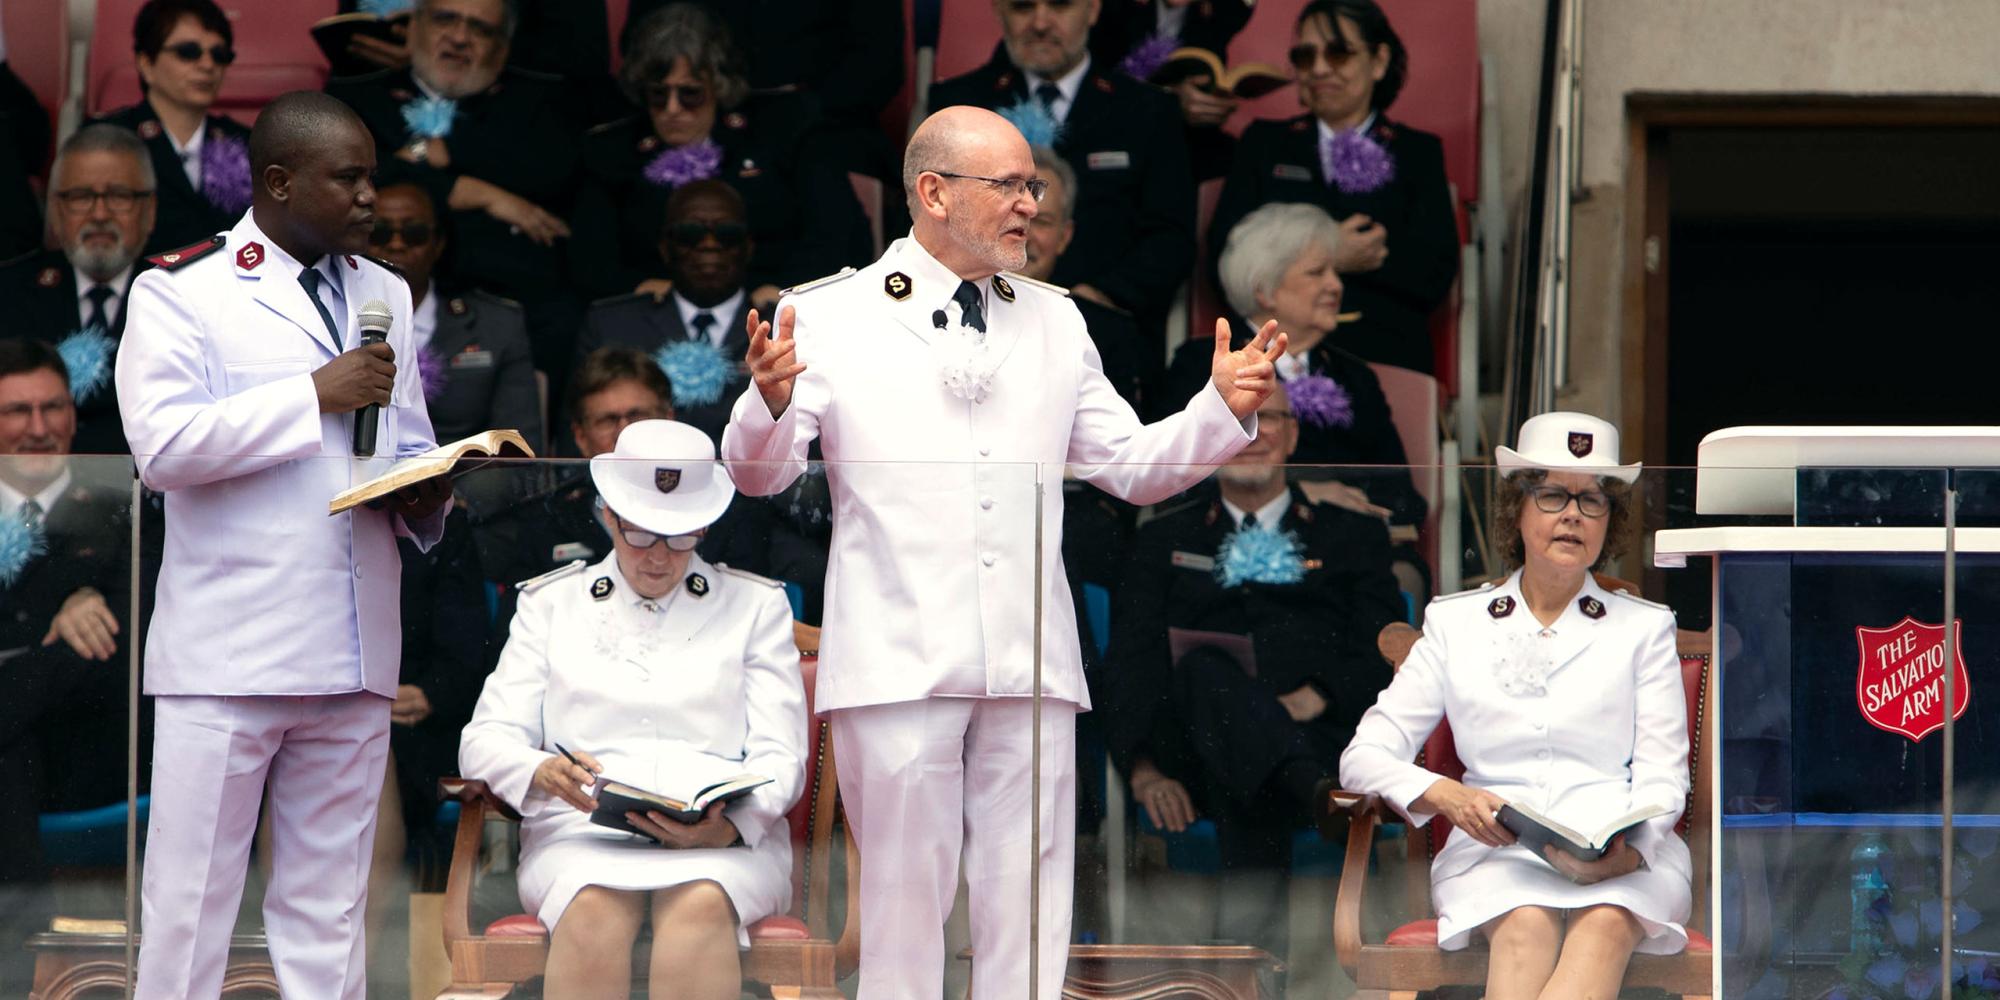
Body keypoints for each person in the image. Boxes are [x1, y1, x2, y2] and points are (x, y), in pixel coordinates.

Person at [722, 104, 1286, 999]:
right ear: (934, 193)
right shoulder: (828, 314)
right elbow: (756, 477)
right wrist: (766, 403)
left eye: (1035, 186)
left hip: (1030, 661)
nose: (1030, 203)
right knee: (904, 917)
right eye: (1010, 185)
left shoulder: (1058, 320)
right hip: (899, 660)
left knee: (1029, 916)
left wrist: (1221, 408)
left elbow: (1131, 470)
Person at [115, 91, 451, 999]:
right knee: (190, 916)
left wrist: (431, 486)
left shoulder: (385, 290)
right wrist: (312, 395)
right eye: (348, 178)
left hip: (350, 649)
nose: (370, 197)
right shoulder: (181, 288)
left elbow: (403, 435)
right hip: (228, 654)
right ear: (277, 181)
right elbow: (162, 450)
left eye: (371, 176)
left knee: (329, 917)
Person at [1339, 411, 1692, 999]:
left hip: (1629, 861)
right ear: (1518, 509)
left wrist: (1627, 856)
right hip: (1495, 857)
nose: (1574, 514)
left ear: (1611, 521)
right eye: (1553, 495)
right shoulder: (1455, 623)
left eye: (1593, 500)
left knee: (1603, 925)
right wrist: (1449, 796)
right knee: (1525, 926)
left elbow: (1663, 779)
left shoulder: (1644, 629)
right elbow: (1363, 757)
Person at [460, 419, 807, 999]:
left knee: (697, 909)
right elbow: (484, 739)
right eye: (641, 534)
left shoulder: (754, 606)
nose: (658, 558)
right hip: (581, 836)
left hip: (721, 840)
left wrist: (730, 830)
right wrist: (539, 770)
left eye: (680, 537)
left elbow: (781, 754)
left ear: (704, 526)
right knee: (592, 910)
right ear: (607, 516)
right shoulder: (552, 605)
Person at [1102, 378, 1404, 966]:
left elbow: (1383, 645)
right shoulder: (1164, 537)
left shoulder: (1351, 536)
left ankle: (1247, 982)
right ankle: (1307, 791)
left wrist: (1320, 695)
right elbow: (1130, 661)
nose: (1255, 434)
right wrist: (1142, 772)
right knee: (1205, 670)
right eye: (1239, 419)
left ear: (1293, 435)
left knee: (1246, 768)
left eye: (1270, 420)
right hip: (1201, 757)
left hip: (1321, 739)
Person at [927, 0, 1196, 389]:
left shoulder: (1147, 111)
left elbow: (1172, 239)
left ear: (1092, 9)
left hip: (1103, 337)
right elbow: (932, 223)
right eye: (1022, 7)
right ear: (998, 12)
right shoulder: (955, 105)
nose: (1040, 22)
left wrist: (1094, 298)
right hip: (972, 325)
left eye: (1060, 4)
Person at [326, 0, 580, 379]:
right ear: (412, 28)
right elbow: (350, 179)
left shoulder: (537, 101)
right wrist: (484, 193)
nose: (460, 38)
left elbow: (550, 171)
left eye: (480, 29)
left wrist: (448, 151)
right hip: (376, 298)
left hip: (509, 300)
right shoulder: (357, 97)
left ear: (504, 47)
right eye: (446, 19)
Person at [1207, 0, 1459, 375]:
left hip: (1382, 345)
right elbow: (1223, 257)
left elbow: (1434, 273)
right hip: (1273, 352)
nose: (1320, 68)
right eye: (1305, 56)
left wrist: (1366, 261)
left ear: (1378, 61)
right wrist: (1329, 253)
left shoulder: (1416, 153)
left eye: (1338, 53)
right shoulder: (1264, 144)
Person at [0, 339, 141, 996]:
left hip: (95, 752)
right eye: (17, 410)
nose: (37, 428)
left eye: (52, 407)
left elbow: (120, 650)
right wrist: (55, 637)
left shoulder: (123, 508)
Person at [571, 3, 871, 303]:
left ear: (717, 86)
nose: (672, 109)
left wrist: (789, 287)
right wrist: (635, 288)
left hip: (773, 306)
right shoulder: (610, 151)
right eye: (658, 94)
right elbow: (591, 260)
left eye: (690, 94)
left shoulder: (783, 131)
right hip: (656, 316)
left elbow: (837, 233)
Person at [1167, 202, 1425, 529]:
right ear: (1265, 291)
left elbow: (1404, 498)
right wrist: (1299, 495)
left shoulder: (1354, 377)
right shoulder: (1201, 365)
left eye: (1335, 272)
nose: (1336, 285)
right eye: (1317, 272)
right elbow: (1172, 480)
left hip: (1341, 555)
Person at [477, 346, 775, 619]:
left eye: (638, 416)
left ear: (669, 419)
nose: (624, 432)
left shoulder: (724, 511)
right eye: (607, 420)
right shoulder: (544, 520)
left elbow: (748, 617)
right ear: (580, 437)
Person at [0, 125, 159, 454]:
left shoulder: (182, 298)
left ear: (150, 210)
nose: (99, 214)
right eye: (81, 197)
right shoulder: (8, 293)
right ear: (56, 210)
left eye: (118, 196)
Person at [625, 0, 906, 179]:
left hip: (818, 125)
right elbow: (640, 46)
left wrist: (801, 118)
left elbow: (880, 65)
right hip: (697, 121)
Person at [576, 179, 756, 444]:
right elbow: (579, 438)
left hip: (756, 485)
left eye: (727, 234)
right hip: (635, 484)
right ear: (664, 248)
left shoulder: (784, 325)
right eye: (689, 234)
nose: (709, 244)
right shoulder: (612, 324)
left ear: (749, 247)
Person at [368, 180, 541, 448]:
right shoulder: (330, 316)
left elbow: (516, 448)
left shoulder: (497, 325)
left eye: (414, 234)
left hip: (464, 484)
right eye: (380, 233)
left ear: (438, 243)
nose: (397, 244)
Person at [89, 0, 252, 255]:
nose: (208, 65)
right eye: (189, 52)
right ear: (146, 63)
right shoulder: (105, 139)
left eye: (220, 55)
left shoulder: (246, 142)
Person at [1023, 144, 1142, 409]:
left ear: (1065, 236)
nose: (1024, 233)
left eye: (1041, 222)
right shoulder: (942, 307)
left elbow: (1122, 445)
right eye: (1017, 215)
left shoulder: (1106, 333)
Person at [1088, 0, 1252, 181]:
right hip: (1101, 133)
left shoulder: (1217, 18)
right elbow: (1091, 80)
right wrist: (1170, 98)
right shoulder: (1110, 10)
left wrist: (1209, 107)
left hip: (1170, 148)